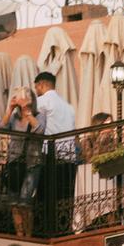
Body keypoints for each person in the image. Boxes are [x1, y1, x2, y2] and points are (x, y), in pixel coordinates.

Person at [33, 70, 78, 233]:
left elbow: (33, 121)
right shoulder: (69, 106)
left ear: (41, 85)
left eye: (36, 88)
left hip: (50, 155)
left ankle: (46, 230)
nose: (36, 91)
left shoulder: (42, 101)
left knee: (46, 196)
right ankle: (63, 228)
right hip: (69, 156)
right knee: (65, 197)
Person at [0, 88, 43, 236]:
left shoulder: (39, 115)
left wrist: (27, 112)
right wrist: (9, 109)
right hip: (14, 162)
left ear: (32, 100)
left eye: (26, 95)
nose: (22, 98)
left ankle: (28, 235)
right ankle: (19, 234)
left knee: (25, 202)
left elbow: (39, 130)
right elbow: (1, 128)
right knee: (14, 203)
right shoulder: (14, 118)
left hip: (32, 163)